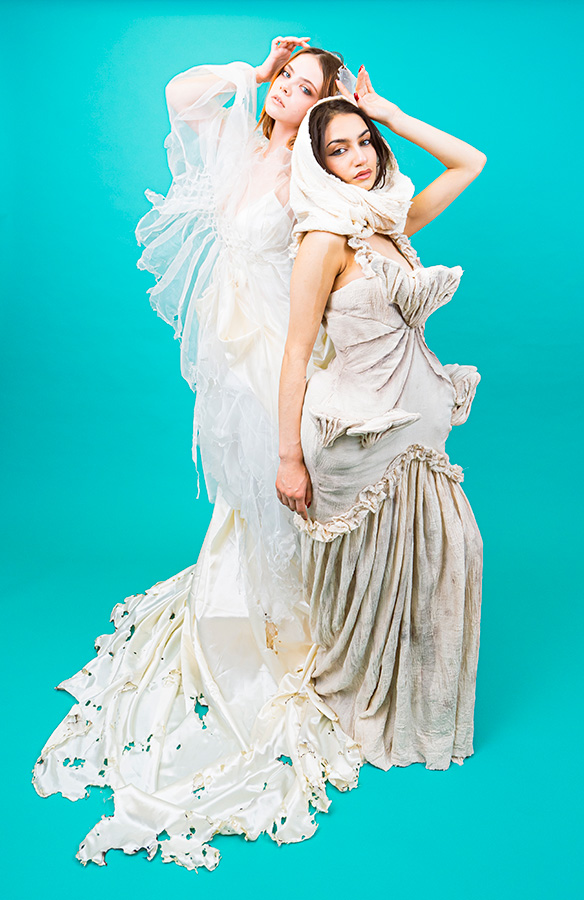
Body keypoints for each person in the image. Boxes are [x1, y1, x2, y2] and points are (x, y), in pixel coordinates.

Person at [31, 38, 362, 872]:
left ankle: (292, 631)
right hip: (226, 346)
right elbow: (182, 96)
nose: (286, 92)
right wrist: (254, 71)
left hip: (275, 352)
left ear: (324, 105)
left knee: (274, 483)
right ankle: (253, 607)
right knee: (240, 492)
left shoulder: (308, 172)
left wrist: (348, 117)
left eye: (302, 87)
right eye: (285, 80)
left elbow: (346, 234)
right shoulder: (242, 146)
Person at [276, 77, 486, 772]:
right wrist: (288, 458)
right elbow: (297, 353)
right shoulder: (324, 240)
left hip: (423, 440)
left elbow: (469, 162)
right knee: (373, 587)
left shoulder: (390, 224)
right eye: (340, 148)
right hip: (362, 443)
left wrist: (393, 112)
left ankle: (421, 714)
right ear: (319, 163)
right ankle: (367, 699)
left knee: (449, 562)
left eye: (364, 141)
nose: (360, 156)